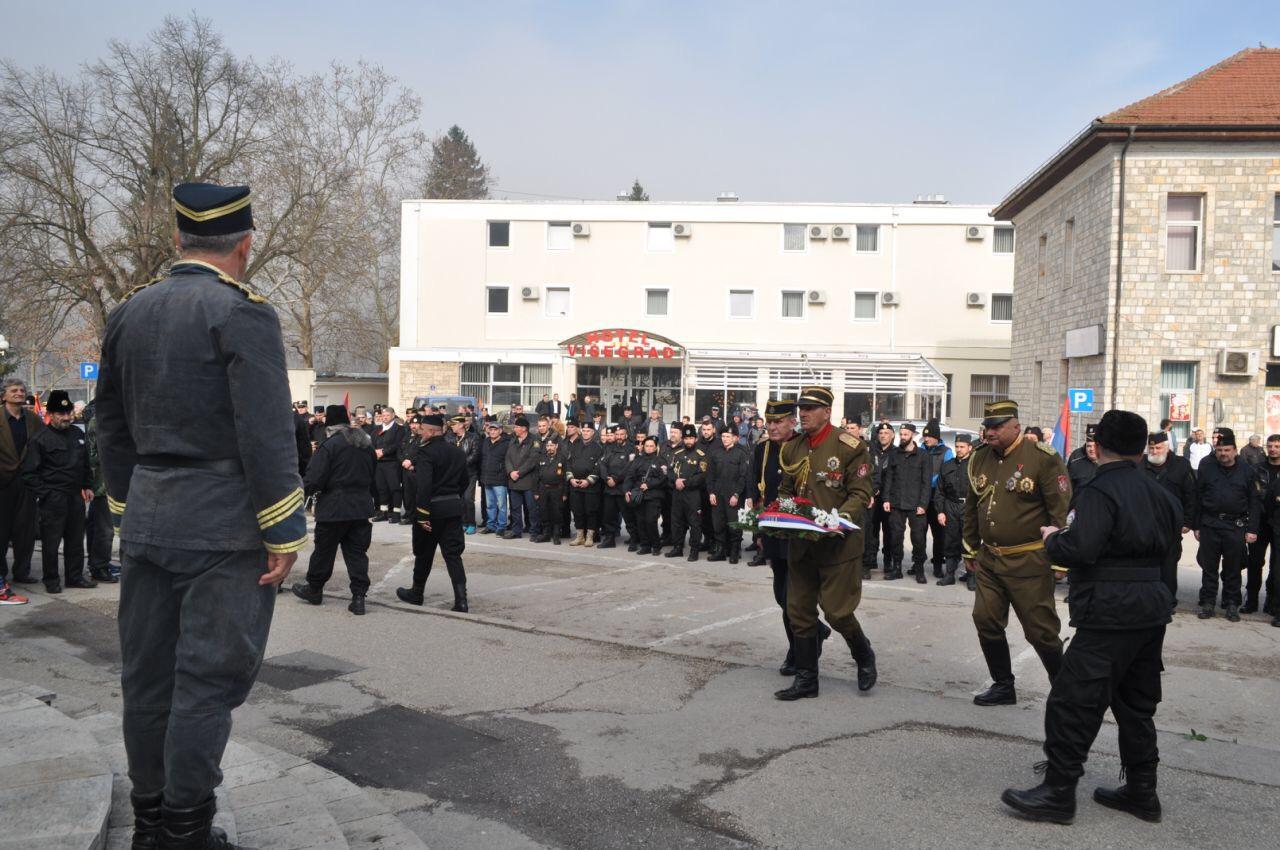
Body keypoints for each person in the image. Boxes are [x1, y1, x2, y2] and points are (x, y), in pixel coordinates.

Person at [96, 181, 305, 849]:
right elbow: (267, 432)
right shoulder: (243, 313)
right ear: (244, 245)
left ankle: (150, 823)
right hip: (223, 527)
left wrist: (132, 506)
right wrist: (282, 529)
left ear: (180, 241)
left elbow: (109, 425)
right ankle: (186, 831)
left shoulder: (130, 312)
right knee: (206, 682)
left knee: (146, 678)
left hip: (151, 518)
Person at [1001, 409, 1179, 826]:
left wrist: (1053, 538)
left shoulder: (1101, 490)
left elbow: (1080, 549)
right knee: (1136, 704)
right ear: (1139, 447)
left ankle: (1058, 793)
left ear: (1099, 444)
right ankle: (1141, 791)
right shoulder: (1161, 494)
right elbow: (1168, 554)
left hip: (1109, 610)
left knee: (1072, 701)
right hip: (1151, 609)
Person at [962, 399, 1069, 707]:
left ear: (1015, 426)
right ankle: (1003, 684)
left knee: (1040, 631)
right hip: (990, 559)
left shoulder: (1043, 458)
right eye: (987, 427)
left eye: (996, 427)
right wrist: (969, 547)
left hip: (1029, 561)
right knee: (985, 619)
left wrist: (1061, 558)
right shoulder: (979, 457)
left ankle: (1063, 689)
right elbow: (972, 506)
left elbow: (1059, 512)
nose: (990, 432)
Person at [773, 386, 876, 700]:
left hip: (838, 545)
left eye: (810, 409)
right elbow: (786, 490)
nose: (803, 414)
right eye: (801, 408)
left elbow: (861, 493)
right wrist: (783, 512)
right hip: (802, 544)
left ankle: (864, 656)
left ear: (827, 412)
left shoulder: (849, 446)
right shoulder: (793, 447)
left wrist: (837, 519)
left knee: (836, 612)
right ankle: (807, 681)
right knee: (799, 611)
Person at [752, 399, 833, 677]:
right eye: (769, 422)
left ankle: (799, 652)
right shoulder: (762, 449)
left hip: (798, 532)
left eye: (778, 422)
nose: (772, 427)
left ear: (792, 422)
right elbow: (757, 492)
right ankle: (816, 632)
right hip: (774, 531)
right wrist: (758, 532)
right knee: (780, 596)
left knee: (792, 599)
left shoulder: (804, 446)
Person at [292, 404, 376, 615]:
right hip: (360, 506)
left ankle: (315, 588)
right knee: (357, 553)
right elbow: (374, 472)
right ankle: (359, 597)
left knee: (324, 551)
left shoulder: (330, 445)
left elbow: (314, 478)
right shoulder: (365, 443)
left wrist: (298, 496)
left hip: (334, 507)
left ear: (330, 426)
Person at [21, 390, 95, 593]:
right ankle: (52, 580)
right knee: (51, 543)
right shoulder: (40, 439)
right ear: (51, 415)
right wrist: (45, 494)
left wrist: (87, 485)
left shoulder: (77, 434)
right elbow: (29, 473)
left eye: (68, 412)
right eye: (61, 414)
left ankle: (75, 577)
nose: (66, 418)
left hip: (75, 497)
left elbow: (85, 464)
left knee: (76, 540)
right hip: (53, 497)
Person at [396, 414, 469, 612]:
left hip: (431, 510)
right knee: (453, 555)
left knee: (424, 554)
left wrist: (421, 514)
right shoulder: (457, 452)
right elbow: (464, 482)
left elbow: (424, 486)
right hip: (452, 509)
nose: (420, 432)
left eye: (423, 429)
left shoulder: (425, 453)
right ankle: (461, 601)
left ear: (431, 432)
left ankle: (416, 593)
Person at [1192, 427, 1260, 621]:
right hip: (1210, 524)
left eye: (1227, 450)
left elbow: (1254, 501)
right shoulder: (1206, 465)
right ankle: (1207, 603)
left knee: (1233, 568)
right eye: (1220, 450)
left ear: (1235, 450)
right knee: (1209, 568)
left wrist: (1252, 529)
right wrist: (1197, 525)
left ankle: (1231, 604)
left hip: (1235, 525)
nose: (1223, 453)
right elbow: (1198, 496)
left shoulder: (1247, 470)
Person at [1142, 432, 1195, 602]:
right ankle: (1148, 599)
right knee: (1146, 564)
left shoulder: (1181, 465)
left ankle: (1167, 600)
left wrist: (1188, 521)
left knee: (1168, 566)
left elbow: (1191, 496)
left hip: (1171, 526)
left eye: (1158, 448)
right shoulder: (1140, 465)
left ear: (1166, 447)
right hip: (1145, 525)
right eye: (1151, 448)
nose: (1154, 451)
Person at [1, 377, 43, 586]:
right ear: (4, 395)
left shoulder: (33, 419)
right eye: (14, 390)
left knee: (25, 531)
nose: (19, 393)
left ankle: (22, 572)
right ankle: (1, 573)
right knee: (1, 529)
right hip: (2, 483)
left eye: (21, 390)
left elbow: (43, 446)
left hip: (27, 482)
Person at [882, 422, 931, 582]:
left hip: (916, 505)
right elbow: (889, 478)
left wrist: (923, 505)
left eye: (906, 434)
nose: (902, 437)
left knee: (918, 539)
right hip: (896, 503)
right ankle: (897, 568)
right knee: (895, 537)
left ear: (913, 435)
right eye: (901, 434)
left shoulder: (923, 455)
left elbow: (926, 483)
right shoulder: (894, 454)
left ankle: (919, 569)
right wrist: (886, 499)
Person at [82, 401, 120, 584]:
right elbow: (92, 455)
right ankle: (99, 567)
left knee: (99, 527)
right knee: (104, 530)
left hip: (114, 483)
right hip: (103, 485)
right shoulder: (98, 422)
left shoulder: (116, 419)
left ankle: (98, 563)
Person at [707, 423, 751, 563]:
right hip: (718, 494)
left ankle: (734, 551)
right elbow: (710, 475)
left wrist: (737, 494)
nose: (725, 439)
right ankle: (720, 550)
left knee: (734, 525)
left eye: (728, 436)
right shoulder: (716, 452)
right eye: (723, 436)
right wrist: (711, 493)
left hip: (733, 495)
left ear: (735, 438)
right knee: (718, 524)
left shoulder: (741, 453)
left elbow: (743, 476)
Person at [934, 434, 973, 587]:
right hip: (950, 506)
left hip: (969, 507)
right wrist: (940, 511)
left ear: (969, 447)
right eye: (957, 446)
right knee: (950, 541)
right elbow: (939, 491)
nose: (959, 449)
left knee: (969, 543)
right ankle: (949, 574)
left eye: (962, 447)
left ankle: (971, 576)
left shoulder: (975, 466)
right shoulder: (947, 465)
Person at [665, 424, 707, 562]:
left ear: (695, 439)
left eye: (691, 438)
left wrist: (685, 482)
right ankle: (677, 547)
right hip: (677, 493)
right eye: (686, 438)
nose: (688, 441)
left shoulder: (701, 455)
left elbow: (701, 475)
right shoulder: (677, 454)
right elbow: (670, 471)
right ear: (683, 439)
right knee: (676, 521)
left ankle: (694, 549)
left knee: (694, 523)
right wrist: (676, 481)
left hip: (692, 494)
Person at [1250, 434, 1280, 621]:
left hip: (1278, 522)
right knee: (1255, 562)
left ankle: (1272, 601)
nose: (1273, 449)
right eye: (1270, 446)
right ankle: (1251, 600)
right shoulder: (1257, 468)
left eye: (1276, 446)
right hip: (1259, 520)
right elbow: (1251, 493)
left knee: (1276, 566)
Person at [921, 419, 954, 579]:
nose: (926, 439)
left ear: (936, 437)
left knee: (938, 535)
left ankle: (937, 565)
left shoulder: (946, 452)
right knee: (918, 534)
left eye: (929, 437)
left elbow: (946, 474)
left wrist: (929, 481)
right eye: (924, 437)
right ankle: (918, 563)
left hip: (937, 498)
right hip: (921, 498)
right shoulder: (920, 450)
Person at [862, 423, 894, 578]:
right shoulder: (870, 451)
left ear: (892, 435)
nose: (883, 435)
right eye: (881, 432)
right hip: (872, 497)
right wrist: (872, 490)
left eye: (886, 433)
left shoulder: (896, 453)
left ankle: (888, 562)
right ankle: (869, 562)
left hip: (889, 499)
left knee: (889, 531)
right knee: (871, 531)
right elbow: (867, 474)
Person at [567, 421, 604, 545]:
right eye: (584, 430)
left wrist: (588, 481)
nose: (585, 433)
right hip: (575, 485)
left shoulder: (598, 447)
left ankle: (589, 537)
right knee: (577, 511)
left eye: (588, 431)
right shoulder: (575, 445)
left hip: (590, 487)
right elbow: (568, 463)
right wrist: (571, 478)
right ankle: (580, 536)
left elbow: (599, 467)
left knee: (590, 511)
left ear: (593, 432)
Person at [503, 416, 541, 540]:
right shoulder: (513, 440)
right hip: (513, 480)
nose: (515, 428)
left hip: (527, 480)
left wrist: (518, 473)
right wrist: (510, 472)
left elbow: (532, 460)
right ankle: (516, 530)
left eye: (517, 427)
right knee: (515, 508)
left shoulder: (534, 440)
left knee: (532, 508)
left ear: (524, 428)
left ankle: (534, 531)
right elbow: (507, 458)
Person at [630, 436, 668, 555]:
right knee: (640, 521)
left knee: (650, 521)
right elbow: (631, 476)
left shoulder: (660, 460)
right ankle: (645, 546)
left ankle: (656, 546)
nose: (649, 448)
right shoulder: (638, 460)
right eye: (647, 446)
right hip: (640, 495)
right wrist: (629, 490)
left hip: (654, 495)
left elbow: (663, 478)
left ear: (656, 447)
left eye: (652, 446)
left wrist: (649, 485)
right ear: (643, 447)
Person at [598, 424, 632, 549]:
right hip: (609, 488)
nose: (619, 437)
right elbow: (602, 464)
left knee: (628, 516)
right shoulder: (609, 448)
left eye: (621, 434)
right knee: (608, 516)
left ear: (626, 435)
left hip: (622, 488)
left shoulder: (631, 449)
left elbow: (629, 467)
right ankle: (609, 539)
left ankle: (635, 538)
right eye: (617, 435)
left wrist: (616, 479)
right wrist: (607, 478)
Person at [447, 414, 480, 534]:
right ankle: (463, 522)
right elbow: (447, 454)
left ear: (461, 425)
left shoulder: (473, 437)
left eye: (454, 424)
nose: (452, 427)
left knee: (468, 499)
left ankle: (471, 523)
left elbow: (475, 455)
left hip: (469, 473)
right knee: (459, 499)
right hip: (456, 474)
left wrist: (460, 464)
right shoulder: (450, 438)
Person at [371, 408, 406, 522]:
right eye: (383, 415)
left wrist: (384, 451)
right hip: (379, 463)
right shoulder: (377, 429)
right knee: (381, 488)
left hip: (392, 462)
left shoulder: (399, 429)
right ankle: (384, 512)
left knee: (394, 488)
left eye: (387, 415)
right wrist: (375, 451)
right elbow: (372, 442)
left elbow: (398, 444)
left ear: (393, 415)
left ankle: (395, 513)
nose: (385, 417)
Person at [478, 419, 510, 534]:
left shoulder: (506, 443)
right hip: (487, 478)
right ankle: (491, 525)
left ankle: (501, 526)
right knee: (490, 505)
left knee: (501, 505)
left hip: (500, 479)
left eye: (495, 429)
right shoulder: (486, 442)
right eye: (490, 429)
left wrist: (503, 473)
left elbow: (508, 461)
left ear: (500, 431)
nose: (492, 431)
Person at [534, 437, 568, 544]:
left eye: (552, 445)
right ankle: (546, 534)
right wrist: (535, 491)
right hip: (543, 488)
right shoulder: (541, 458)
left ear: (556, 446)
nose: (550, 448)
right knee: (544, 511)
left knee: (556, 512)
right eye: (548, 446)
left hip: (557, 489)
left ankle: (556, 534)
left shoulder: (562, 458)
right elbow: (536, 476)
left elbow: (566, 477)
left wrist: (565, 493)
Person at [398, 416, 425, 526]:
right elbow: (399, 450)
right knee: (407, 494)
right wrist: (403, 461)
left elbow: (422, 453)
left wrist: (412, 462)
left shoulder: (423, 437)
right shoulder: (406, 436)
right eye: (411, 424)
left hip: (415, 469)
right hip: (405, 468)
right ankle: (409, 515)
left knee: (417, 494)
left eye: (416, 424)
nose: (413, 426)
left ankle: (418, 516)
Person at [1066, 425, 1099, 490]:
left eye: (1095, 446)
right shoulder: (1076, 460)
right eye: (1089, 446)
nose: (1091, 449)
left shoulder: (1107, 463)